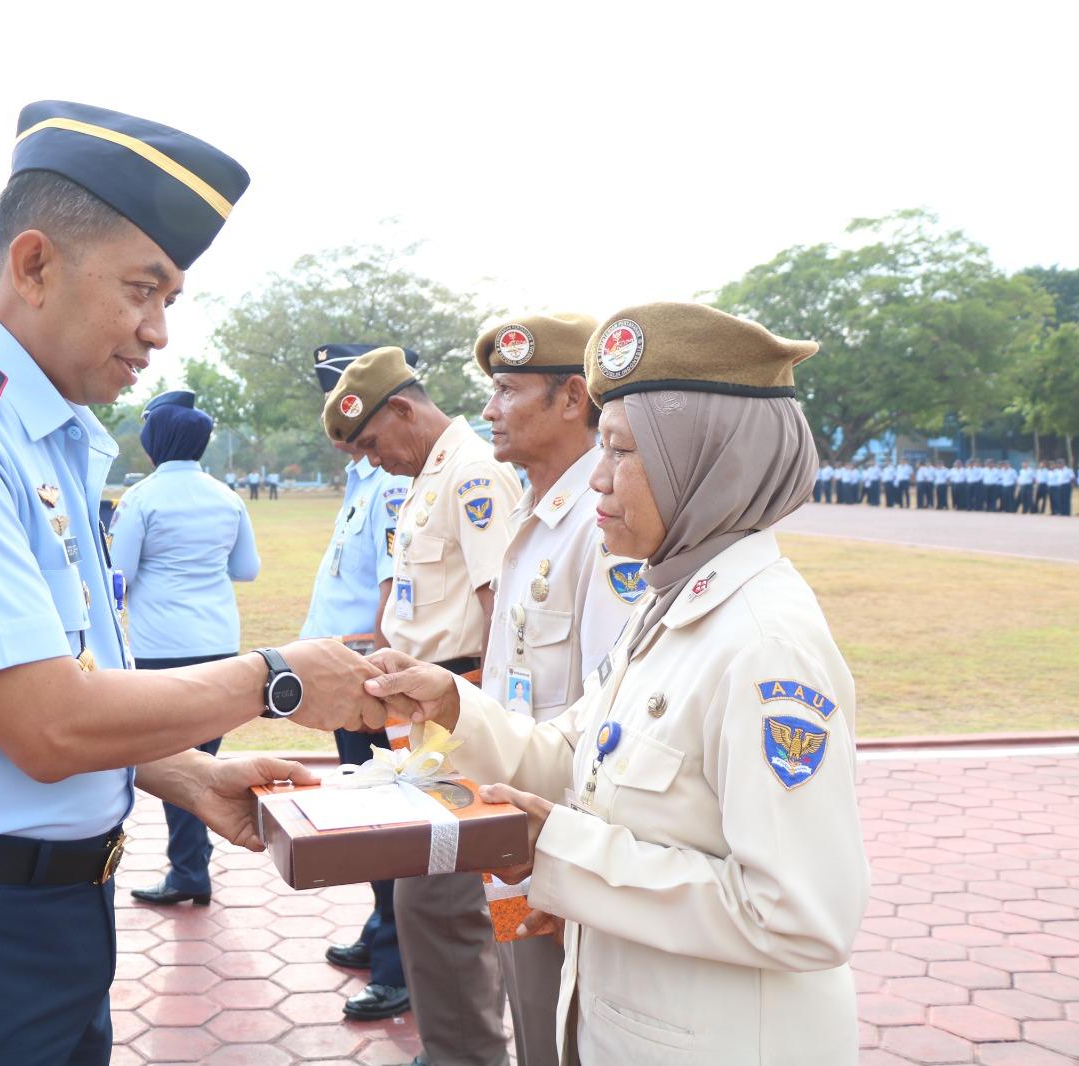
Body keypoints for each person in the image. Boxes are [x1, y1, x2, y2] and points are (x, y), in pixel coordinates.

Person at [0, 100, 384, 1066]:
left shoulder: (47, 435)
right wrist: (278, 679)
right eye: (140, 291)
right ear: (34, 266)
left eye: (170, 301)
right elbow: (46, 724)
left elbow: (30, 690)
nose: (157, 332)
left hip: (48, 918)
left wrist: (185, 772)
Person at [367, 302, 869, 1065]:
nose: (597, 478)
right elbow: (575, 751)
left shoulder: (764, 645)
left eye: (623, 452)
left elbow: (802, 915)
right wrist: (452, 707)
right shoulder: (676, 603)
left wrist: (557, 853)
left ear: (708, 462)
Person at [323, 344, 524, 1066]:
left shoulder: (472, 473)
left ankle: (465, 1053)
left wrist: (486, 729)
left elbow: (504, 616)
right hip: (430, 713)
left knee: (442, 903)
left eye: (375, 443)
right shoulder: (432, 474)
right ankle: (452, 1048)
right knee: (431, 902)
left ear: (403, 410)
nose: (374, 461)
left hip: (462, 711)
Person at [473, 313, 643, 1065]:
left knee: (559, 1028)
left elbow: (614, 711)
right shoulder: (536, 512)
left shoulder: (599, 526)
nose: (489, 409)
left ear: (573, 398)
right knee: (526, 1008)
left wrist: (565, 863)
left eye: (508, 389)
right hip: (513, 831)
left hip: (559, 840)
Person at [108, 389, 260, 908]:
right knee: (202, 759)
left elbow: (118, 574)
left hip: (160, 646)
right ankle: (190, 867)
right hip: (220, 643)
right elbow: (246, 569)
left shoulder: (141, 499)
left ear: (154, 441)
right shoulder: (227, 496)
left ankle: (189, 870)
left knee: (177, 763)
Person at [303, 342, 416, 1021]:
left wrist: (369, 673)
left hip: (366, 678)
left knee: (390, 824)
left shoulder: (394, 479)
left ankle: (400, 965)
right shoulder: (364, 478)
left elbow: (393, 584)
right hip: (346, 673)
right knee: (370, 820)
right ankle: (382, 936)